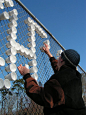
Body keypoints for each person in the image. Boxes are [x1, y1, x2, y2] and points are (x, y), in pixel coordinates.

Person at [18, 44, 86, 115]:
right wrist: (49, 54)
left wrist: (27, 76)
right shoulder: (75, 77)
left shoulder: (58, 80)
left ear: (62, 59)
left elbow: (40, 95)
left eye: (59, 57)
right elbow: (60, 69)